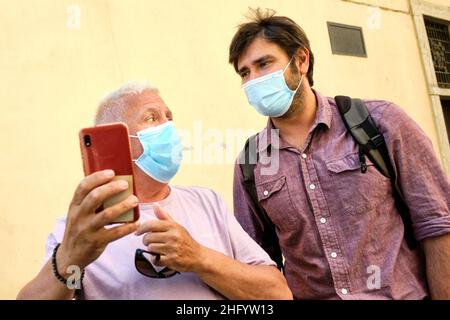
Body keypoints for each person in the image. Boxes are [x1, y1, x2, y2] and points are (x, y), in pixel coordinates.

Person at [229, 8, 450, 300]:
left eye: (264, 64)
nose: (253, 80)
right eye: (245, 72)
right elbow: (257, 265)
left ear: (301, 60)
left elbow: (437, 225)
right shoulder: (250, 163)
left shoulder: (381, 122)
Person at [17, 81, 292, 300]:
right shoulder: (81, 227)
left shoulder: (208, 202)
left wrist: (198, 257)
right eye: (151, 117)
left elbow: (277, 293)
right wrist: (70, 258)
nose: (168, 127)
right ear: (117, 140)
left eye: (169, 117)